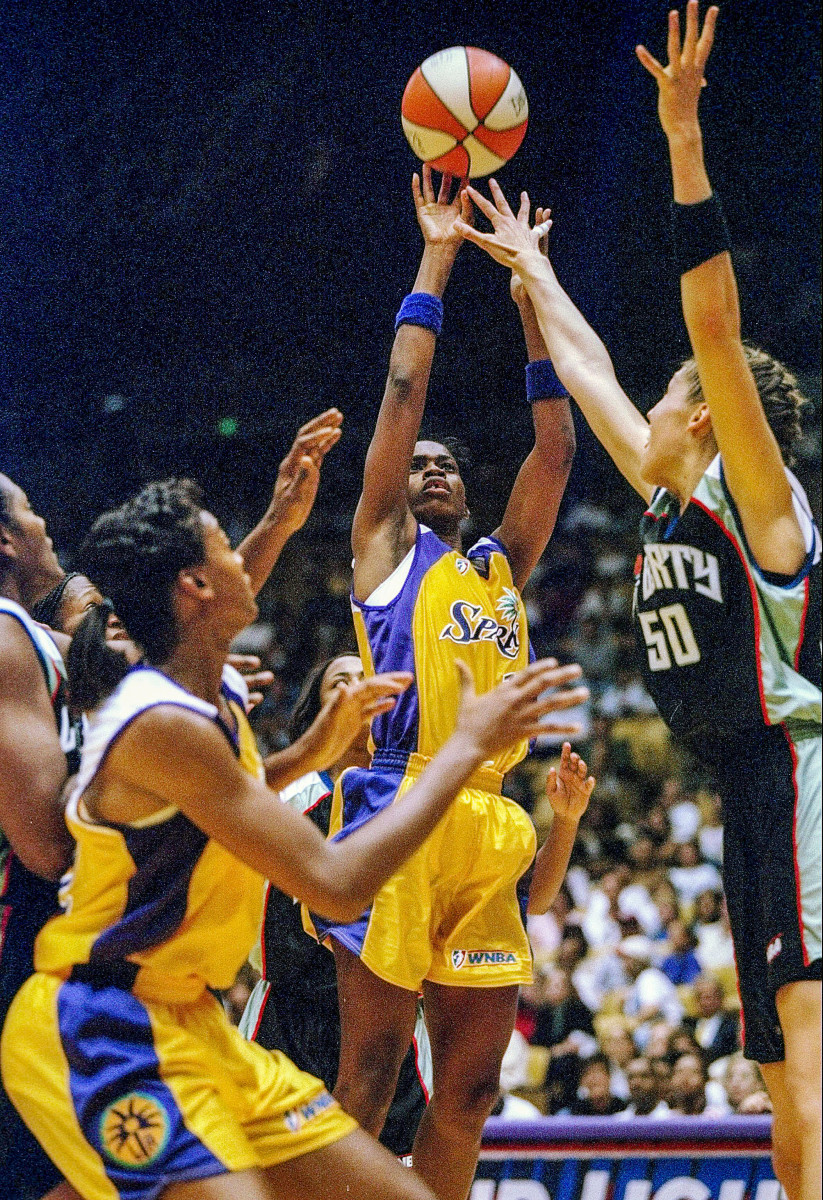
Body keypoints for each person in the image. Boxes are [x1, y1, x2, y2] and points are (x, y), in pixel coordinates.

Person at [455, 5, 820, 1195]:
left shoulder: (754, 496)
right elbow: (595, 374)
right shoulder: (667, 493)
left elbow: (708, 324)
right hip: (747, 789)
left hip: (801, 769)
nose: (651, 411)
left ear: (705, 414)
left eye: (675, 397)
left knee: (811, 1061)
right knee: (779, 1074)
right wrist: (537, 269)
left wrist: (679, 133)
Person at [0, 477, 585, 1200]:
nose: (247, 563)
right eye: (227, 550)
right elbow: (335, 884)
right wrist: (461, 749)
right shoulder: (162, 723)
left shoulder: (205, 707)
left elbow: (225, 801)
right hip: (103, 1021)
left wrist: (311, 749)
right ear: (194, 584)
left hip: (193, 1020)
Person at [311, 165, 582, 1200]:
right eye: (414, 463)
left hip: (489, 816)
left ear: (465, 490)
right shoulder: (384, 546)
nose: (428, 469)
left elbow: (554, 446)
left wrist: (527, 296)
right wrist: (435, 257)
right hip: (399, 796)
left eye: (443, 465)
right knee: (373, 1080)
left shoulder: (498, 565)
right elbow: (399, 393)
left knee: (467, 1092)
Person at [240, 653, 432, 1164]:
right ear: (317, 713)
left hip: (390, 1021)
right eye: (340, 683)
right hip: (291, 1015)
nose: (357, 690)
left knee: (393, 1174)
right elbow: (259, 933)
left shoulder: (414, 798)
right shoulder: (288, 798)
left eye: (366, 679)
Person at [0, 474, 85, 1200]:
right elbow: (46, 847)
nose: (45, 519)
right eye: (30, 509)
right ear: (4, 539)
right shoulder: (3, 635)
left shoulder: (40, 641)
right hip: (21, 931)